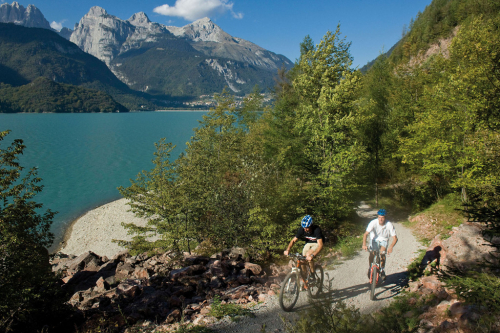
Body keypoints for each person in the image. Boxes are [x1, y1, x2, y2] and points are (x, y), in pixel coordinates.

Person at [284, 215, 324, 281]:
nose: (305, 229)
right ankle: (305, 277)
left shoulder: (317, 229)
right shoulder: (302, 230)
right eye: (304, 228)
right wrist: (288, 249)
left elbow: (320, 245)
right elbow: (293, 240)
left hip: (316, 243)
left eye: (307, 228)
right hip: (308, 243)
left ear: (311, 225)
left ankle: (312, 274)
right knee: (302, 258)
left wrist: (313, 255)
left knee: (308, 255)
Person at [362, 209, 397, 281]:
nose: (381, 219)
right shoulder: (373, 223)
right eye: (379, 217)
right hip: (374, 239)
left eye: (382, 217)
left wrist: (391, 247)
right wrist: (364, 244)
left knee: (382, 254)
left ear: (385, 217)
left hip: (384, 240)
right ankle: (370, 268)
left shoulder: (389, 224)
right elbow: (365, 234)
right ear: (377, 217)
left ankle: (382, 270)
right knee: (372, 253)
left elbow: (395, 238)